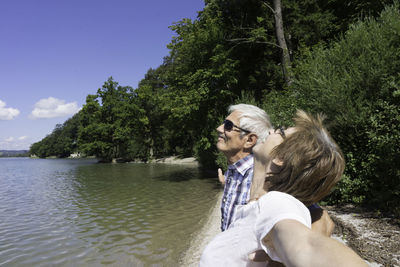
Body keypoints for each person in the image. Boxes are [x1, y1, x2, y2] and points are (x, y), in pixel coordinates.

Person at [200, 110, 367, 266]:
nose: (271, 131)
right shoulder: (262, 201)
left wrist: (316, 230)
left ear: (280, 157)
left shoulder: (276, 203)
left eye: (280, 132)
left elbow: (307, 247)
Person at [217, 104, 334, 237]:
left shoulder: (270, 181)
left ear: (250, 140)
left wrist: (311, 242)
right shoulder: (234, 172)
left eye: (228, 125)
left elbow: (317, 215)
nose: (219, 128)